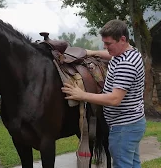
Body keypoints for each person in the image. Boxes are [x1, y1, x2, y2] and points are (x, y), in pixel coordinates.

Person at [61, 19, 146, 168]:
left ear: (123, 39)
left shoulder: (126, 65)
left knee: (122, 165)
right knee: (133, 164)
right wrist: (90, 53)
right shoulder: (130, 53)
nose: (105, 47)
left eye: (108, 44)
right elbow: (110, 55)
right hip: (133, 123)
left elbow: (114, 99)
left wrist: (82, 95)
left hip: (123, 128)